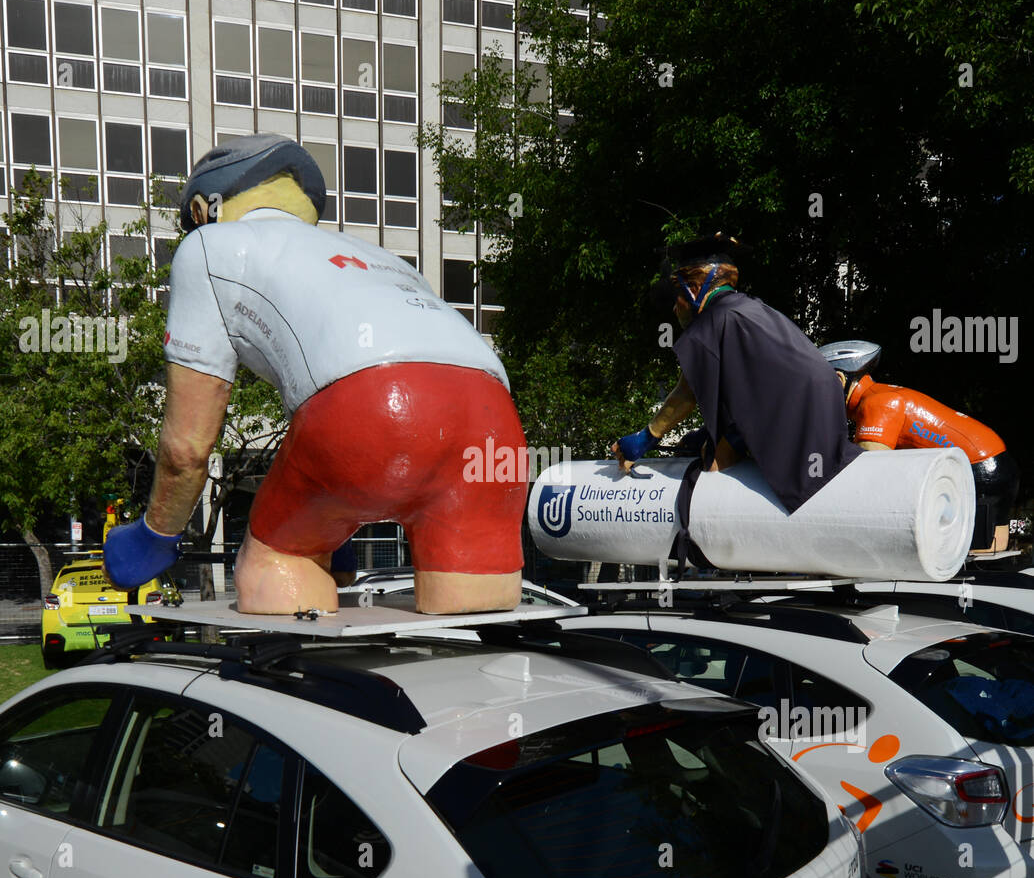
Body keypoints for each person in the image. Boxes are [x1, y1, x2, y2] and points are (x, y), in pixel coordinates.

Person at [104, 133, 526, 614]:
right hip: (495, 420)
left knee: (275, 575)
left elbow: (187, 449)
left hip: (373, 409)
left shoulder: (209, 247)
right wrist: (334, 522)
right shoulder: (382, 259)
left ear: (202, 211)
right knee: (474, 610)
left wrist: (156, 535)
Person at [613, 233, 861, 514]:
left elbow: (686, 392)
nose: (674, 307)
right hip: (820, 406)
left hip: (791, 409)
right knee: (713, 447)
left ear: (695, 289)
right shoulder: (751, 307)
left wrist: (645, 438)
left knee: (716, 467)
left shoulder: (712, 322)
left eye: (677, 297)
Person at [820, 339, 1019, 553]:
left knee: (963, 555)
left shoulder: (877, 404)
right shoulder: (883, 394)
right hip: (995, 461)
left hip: (976, 466)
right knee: (990, 553)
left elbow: (869, 475)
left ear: (839, 380)